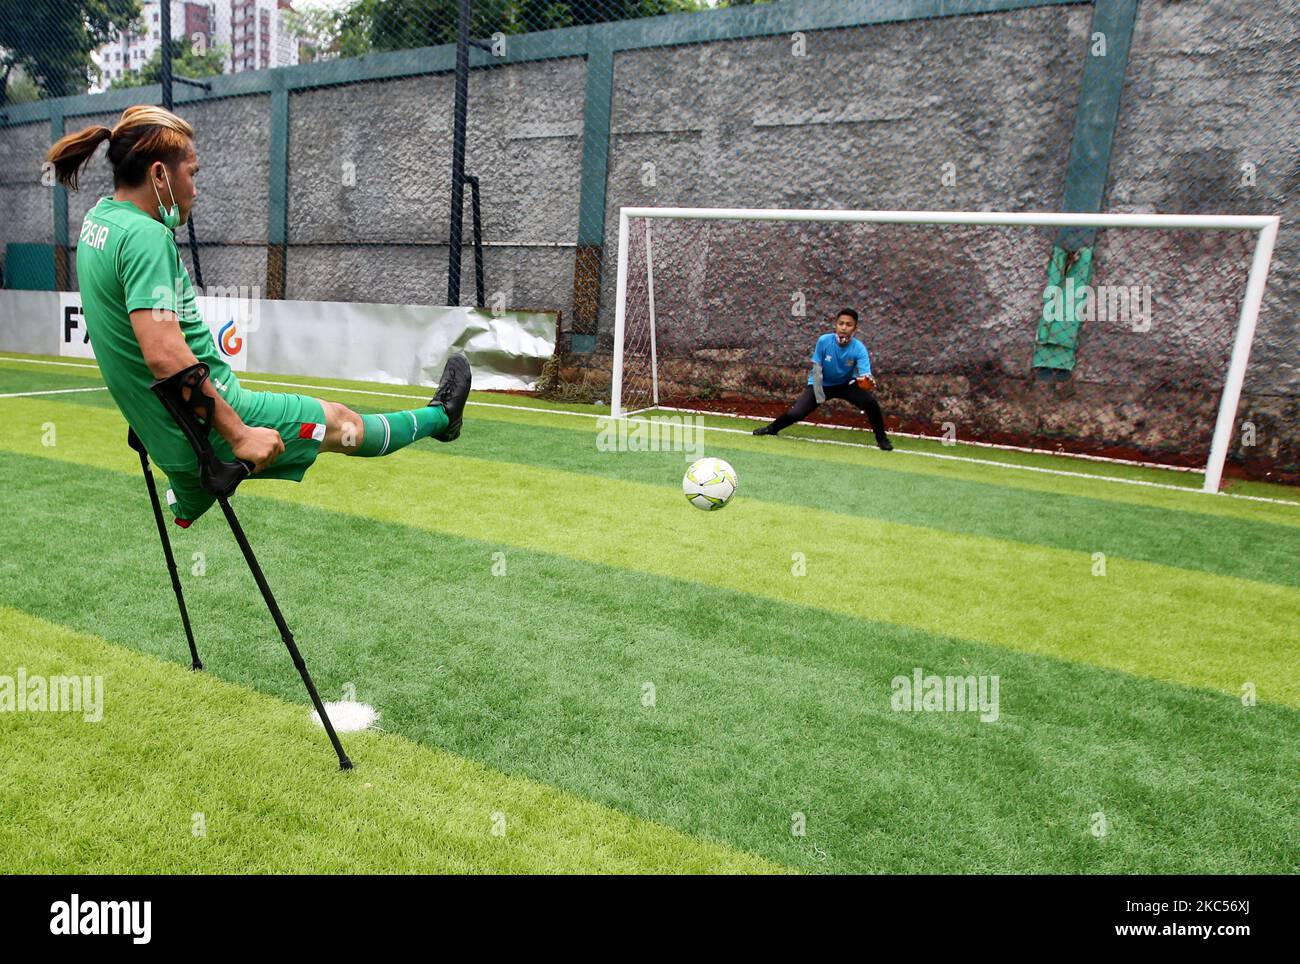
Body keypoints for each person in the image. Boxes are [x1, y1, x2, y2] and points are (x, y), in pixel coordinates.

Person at [45, 105, 471, 526]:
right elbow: (164, 355)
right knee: (343, 424)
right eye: (191, 174)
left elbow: (122, 339)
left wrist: (148, 416)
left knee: (190, 480)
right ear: (159, 175)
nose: (195, 188)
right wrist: (239, 434)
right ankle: (441, 418)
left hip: (168, 431)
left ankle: (186, 502)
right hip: (209, 425)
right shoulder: (145, 236)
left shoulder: (98, 222)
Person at [753, 308, 893, 449]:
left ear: (855, 328)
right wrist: (818, 394)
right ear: (836, 325)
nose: (844, 328)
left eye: (848, 325)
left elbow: (864, 376)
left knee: (870, 402)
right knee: (797, 413)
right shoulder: (824, 341)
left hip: (846, 384)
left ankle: (882, 439)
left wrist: (867, 382)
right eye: (841, 323)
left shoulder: (859, 349)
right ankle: (771, 429)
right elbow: (817, 368)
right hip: (821, 383)